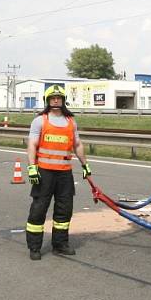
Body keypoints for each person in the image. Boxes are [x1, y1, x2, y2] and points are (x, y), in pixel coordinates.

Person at [25, 85, 91, 260]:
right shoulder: (40, 120)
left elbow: (77, 145)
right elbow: (32, 144)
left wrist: (85, 165)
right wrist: (32, 167)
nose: (56, 100)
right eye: (53, 97)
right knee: (39, 210)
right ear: (47, 100)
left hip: (64, 174)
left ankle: (60, 245)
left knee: (64, 210)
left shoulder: (71, 121)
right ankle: (34, 248)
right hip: (44, 173)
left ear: (63, 100)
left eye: (59, 97)